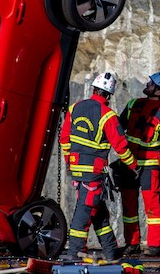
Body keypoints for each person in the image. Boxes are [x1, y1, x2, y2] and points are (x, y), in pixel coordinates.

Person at [59, 72, 137, 263]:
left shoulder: (74, 108)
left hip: (77, 170)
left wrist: (71, 162)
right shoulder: (108, 115)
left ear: (93, 89)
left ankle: (111, 252)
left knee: (98, 212)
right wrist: (134, 166)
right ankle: (74, 253)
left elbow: (64, 139)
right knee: (83, 212)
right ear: (109, 95)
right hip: (93, 172)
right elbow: (121, 146)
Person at [117, 72, 160, 258]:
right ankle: (132, 243)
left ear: (159, 91)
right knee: (129, 207)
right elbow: (117, 129)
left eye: (151, 83)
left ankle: (154, 247)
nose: (147, 84)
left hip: (149, 167)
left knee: (152, 207)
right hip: (128, 164)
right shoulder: (133, 104)